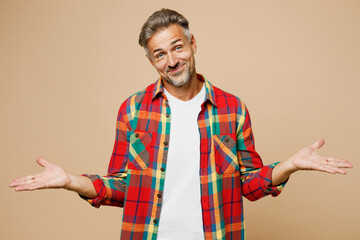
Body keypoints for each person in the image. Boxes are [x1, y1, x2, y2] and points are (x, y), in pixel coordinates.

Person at [9, 8, 352, 240]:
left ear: (192, 43)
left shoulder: (232, 109)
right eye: (160, 54)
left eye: (178, 47)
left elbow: (249, 184)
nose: (172, 60)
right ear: (151, 60)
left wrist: (289, 165)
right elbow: (121, 188)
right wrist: (71, 181)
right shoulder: (132, 110)